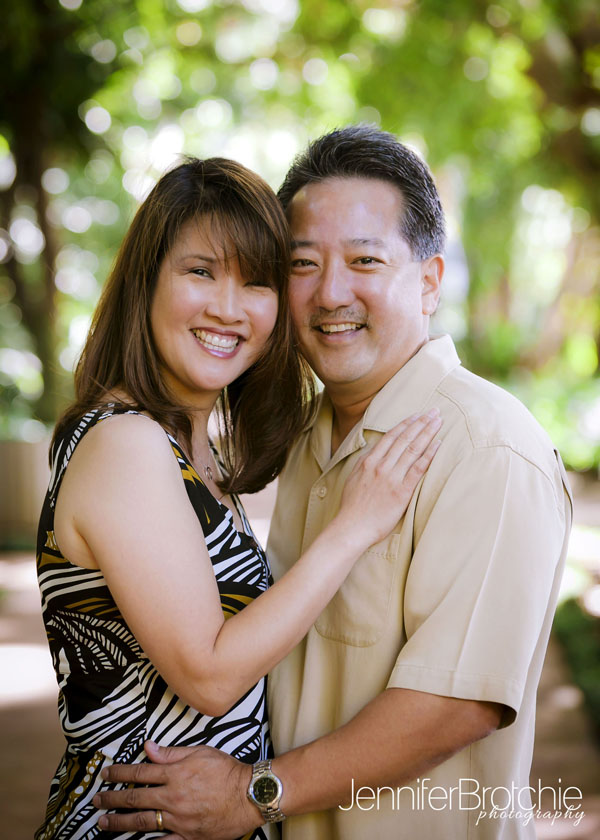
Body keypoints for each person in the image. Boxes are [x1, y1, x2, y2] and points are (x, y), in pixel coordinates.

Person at [94, 127, 573, 840]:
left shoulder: (488, 450)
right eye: (302, 264)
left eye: (364, 260)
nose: (330, 293)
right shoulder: (308, 436)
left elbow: (456, 705)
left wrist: (256, 793)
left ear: (430, 281)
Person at [35, 154, 443, 840]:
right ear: (148, 281)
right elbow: (209, 675)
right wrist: (355, 525)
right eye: (201, 272)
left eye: (257, 282)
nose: (228, 308)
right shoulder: (126, 443)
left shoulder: (192, 453)